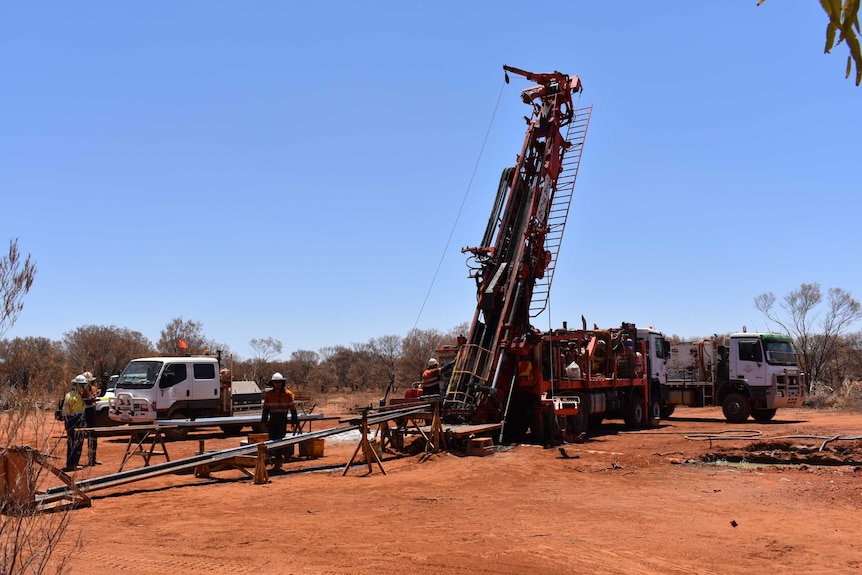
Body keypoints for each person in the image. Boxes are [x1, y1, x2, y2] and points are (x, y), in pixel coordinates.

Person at [261, 373, 297, 471]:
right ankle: (271, 460)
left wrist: (294, 421)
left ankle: (278, 462)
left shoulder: (288, 394)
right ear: (273, 383)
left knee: (280, 440)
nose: (277, 384)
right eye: (276, 382)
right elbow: (265, 409)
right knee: (271, 439)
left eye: (279, 382)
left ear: (282, 383)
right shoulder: (269, 395)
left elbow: (293, 409)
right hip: (272, 420)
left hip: (282, 420)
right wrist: (263, 421)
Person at [61, 375, 88, 472]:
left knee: (70, 443)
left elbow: (64, 412)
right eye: (83, 385)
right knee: (77, 444)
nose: (84, 387)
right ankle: (73, 464)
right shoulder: (78, 397)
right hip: (76, 422)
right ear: (78, 385)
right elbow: (79, 413)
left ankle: (70, 464)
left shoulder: (68, 395)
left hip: (68, 422)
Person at [81, 371, 99, 465]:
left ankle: (92, 459)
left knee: (93, 436)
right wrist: (88, 400)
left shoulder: (94, 388)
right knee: (80, 436)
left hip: (92, 412)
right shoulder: (80, 390)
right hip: (83, 413)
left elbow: (97, 396)